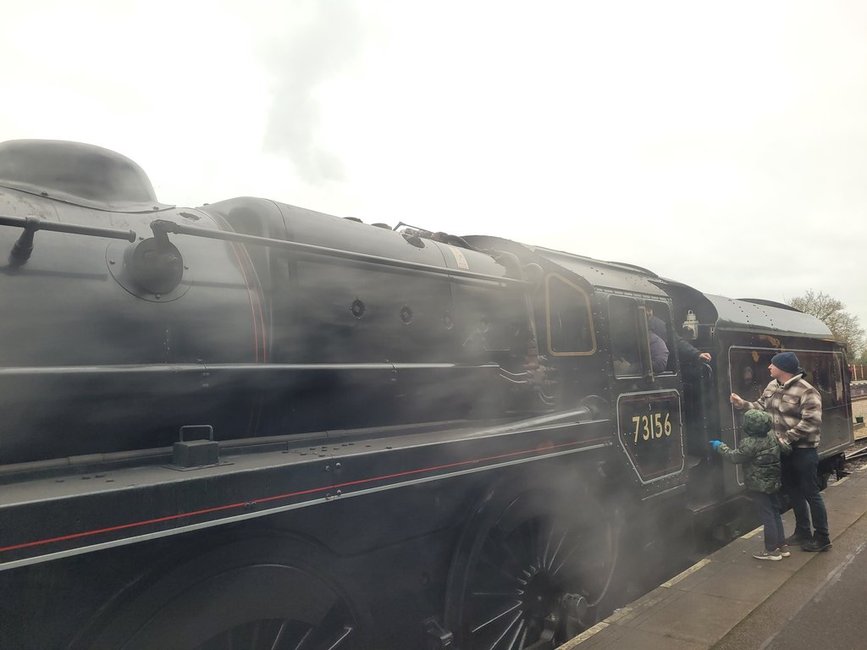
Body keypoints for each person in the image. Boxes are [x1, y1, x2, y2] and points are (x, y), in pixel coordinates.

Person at [730, 351, 830, 552]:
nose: (768, 367)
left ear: (783, 368)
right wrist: (743, 405)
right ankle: (803, 531)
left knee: (811, 493)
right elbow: (760, 406)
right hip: (783, 452)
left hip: (803, 451)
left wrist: (785, 439)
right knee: (793, 492)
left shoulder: (807, 391)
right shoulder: (772, 386)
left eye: (772, 364)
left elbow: (811, 422)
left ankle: (822, 537)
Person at [710, 409, 787, 560]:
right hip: (774, 481)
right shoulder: (772, 436)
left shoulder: (749, 443)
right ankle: (782, 546)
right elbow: (786, 449)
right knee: (775, 512)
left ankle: (771, 550)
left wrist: (719, 446)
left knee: (767, 516)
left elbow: (734, 457)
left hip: (758, 485)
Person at [647, 308, 712, 366]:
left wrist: (697, 354)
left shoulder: (658, 325)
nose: (648, 313)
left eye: (649, 309)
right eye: (646, 309)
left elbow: (676, 341)